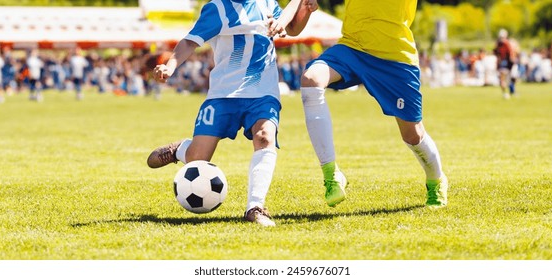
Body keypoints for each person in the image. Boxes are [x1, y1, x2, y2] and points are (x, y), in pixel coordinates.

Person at [147, 0, 316, 226]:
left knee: (265, 136)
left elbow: (292, 27)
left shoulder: (267, 3)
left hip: (262, 91)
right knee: (198, 158)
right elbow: (189, 42)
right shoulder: (216, 8)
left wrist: (305, 10)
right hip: (223, 94)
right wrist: (170, 66)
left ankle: (255, 207)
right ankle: (182, 150)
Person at [298, 0, 448, 208]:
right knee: (311, 79)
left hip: (395, 56)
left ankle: (436, 180)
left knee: (413, 135)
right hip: (352, 47)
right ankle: (331, 174)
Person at [494, 29, 518, 99]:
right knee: (505, 79)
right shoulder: (504, 43)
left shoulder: (501, 43)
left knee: (509, 79)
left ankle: (508, 92)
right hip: (506, 63)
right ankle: (507, 93)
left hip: (507, 63)